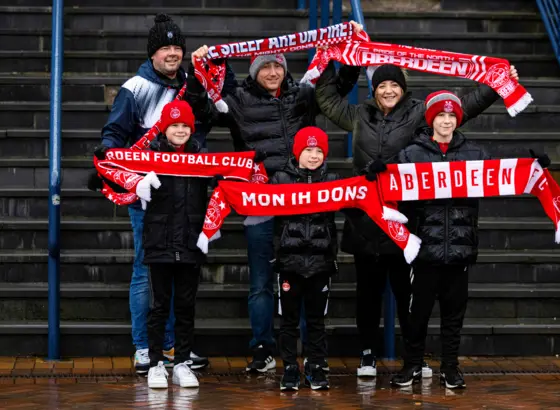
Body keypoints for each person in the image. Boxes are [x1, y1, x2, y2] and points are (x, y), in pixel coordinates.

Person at [315, 62, 519, 377]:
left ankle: (414, 357)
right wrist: (342, 59)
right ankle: (368, 354)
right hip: (366, 220)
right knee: (367, 293)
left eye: (394, 85)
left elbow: (460, 107)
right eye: (382, 85)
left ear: (403, 87)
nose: (388, 91)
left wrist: (496, 85)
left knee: (408, 296)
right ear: (374, 89)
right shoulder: (358, 116)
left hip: (405, 223)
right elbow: (326, 99)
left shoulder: (416, 114)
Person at [185, 21, 364, 372]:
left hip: (304, 204)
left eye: (277, 65)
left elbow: (341, 84)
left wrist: (353, 47)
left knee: (308, 278)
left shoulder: (304, 93)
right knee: (261, 282)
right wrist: (197, 73)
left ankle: (310, 354)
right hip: (261, 201)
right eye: (264, 66)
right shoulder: (236, 100)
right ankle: (263, 350)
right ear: (254, 70)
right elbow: (200, 112)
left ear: (285, 68)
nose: (271, 71)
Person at [95, 13, 236, 374]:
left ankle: (174, 348)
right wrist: (116, 168)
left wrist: (219, 64)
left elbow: (222, 106)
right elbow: (113, 137)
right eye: (165, 48)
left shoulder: (193, 81)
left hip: (188, 195)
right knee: (147, 271)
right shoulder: (134, 88)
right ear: (153, 53)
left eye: (177, 47)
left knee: (181, 270)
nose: (172, 53)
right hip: (149, 195)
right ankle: (145, 346)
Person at [391, 91, 549, 389]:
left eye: (452, 116)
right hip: (424, 249)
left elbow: (502, 178)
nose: (447, 121)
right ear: (431, 119)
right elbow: (394, 192)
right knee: (417, 315)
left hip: (460, 248)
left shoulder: (474, 153)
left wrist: (534, 169)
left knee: (453, 315)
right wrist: (377, 175)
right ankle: (412, 364)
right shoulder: (411, 154)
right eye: (441, 116)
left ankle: (450, 368)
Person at [145, 100, 208, 389]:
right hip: (160, 241)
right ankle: (156, 363)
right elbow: (117, 177)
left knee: (185, 305)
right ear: (165, 129)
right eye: (175, 125)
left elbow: (229, 180)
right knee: (159, 306)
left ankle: (182, 362)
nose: (181, 130)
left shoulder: (202, 157)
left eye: (185, 125)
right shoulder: (148, 156)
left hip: (191, 241)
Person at [271, 126, 338, 391]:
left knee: (316, 320)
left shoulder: (333, 180)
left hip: (320, 262)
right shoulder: (280, 179)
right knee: (288, 319)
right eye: (308, 150)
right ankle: (289, 368)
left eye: (319, 150)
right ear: (297, 152)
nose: (313, 155)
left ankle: (316, 365)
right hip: (289, 262)